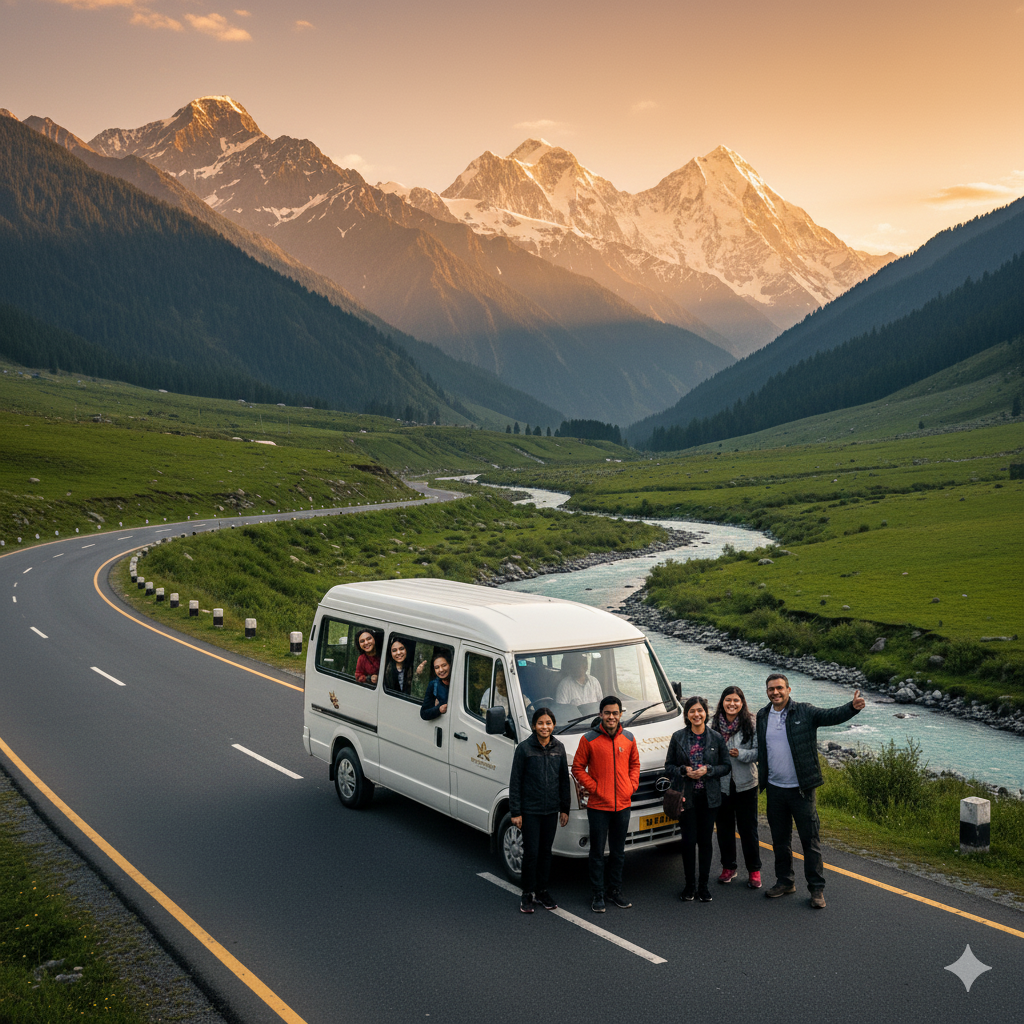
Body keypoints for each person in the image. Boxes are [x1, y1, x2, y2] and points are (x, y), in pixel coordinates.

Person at [757, 672, 865, 908]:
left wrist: (852, 708)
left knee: (810, 840)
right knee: (779, 840)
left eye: (779, 688)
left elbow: (830, 715)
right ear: (767, 692)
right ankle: (785, 882)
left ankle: (816, 889)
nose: (775, 692)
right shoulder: (762, 715)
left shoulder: (804, 711)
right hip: (775, 789)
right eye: (771, 689)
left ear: (789, 690)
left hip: (802, 790)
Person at [571, 695, 640, 913]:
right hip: (598, 806)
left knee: (619, 852)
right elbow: (577, 768)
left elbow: (635, 764)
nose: (611, 716)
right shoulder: (588, 739)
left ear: (621, 714)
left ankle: (615, 891)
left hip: (623, 804)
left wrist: (631, 786)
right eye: (607, 713)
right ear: (601, 714)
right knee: (597, 852)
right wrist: (595, 788)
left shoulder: (628, 738)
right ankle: (598, 893)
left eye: (615, 713)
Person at [665, 695, 731, 903]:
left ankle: (703, 886)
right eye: (692, 711)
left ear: (706, 713)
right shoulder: (678, 737)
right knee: (688, 841)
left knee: (705, 842)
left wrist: (708, 770)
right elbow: (669, 766)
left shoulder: (716, 738)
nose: (696, 714)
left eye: (700, 710)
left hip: (709, 799)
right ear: (687, 715)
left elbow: (726, 766)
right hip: (687, 798)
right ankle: (689, 885)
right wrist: (684, 770)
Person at [509, 708, 571, 913]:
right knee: (531, 853)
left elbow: (564, 781)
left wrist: (565, 808)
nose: (545, 727)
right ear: (534, 725)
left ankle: (542, 891)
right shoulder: (524, 749)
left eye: (549, 723)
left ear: (553, 725)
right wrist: (515, 812)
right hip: (530, 810)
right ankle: (527, 893)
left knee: (546, 852)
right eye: (541, 723)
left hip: (551, 810)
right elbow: (515, 781)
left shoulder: (559, 748)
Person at [711, 686, 761, 888]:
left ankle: (754, 870)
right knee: (724, 828)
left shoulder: (752, 724)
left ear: (742, 703)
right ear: (722, 702)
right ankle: (728, 867)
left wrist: (740, 754)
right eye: (728, 700)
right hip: (722, 784)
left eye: (736, 700)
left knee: (748, 829)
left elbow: (758, 753)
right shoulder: (713, 725)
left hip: (746, 784)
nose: (732, 704)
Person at [419, 652, 452, 720]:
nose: (441, 670)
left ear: (450, 665)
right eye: (437, 667)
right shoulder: (434, 685)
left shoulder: (459, 681)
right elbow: (424, 713)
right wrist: (439, 709)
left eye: (444, 665)